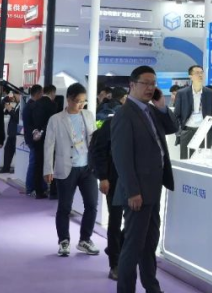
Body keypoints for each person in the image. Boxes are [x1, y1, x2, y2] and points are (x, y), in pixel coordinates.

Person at [112, 66, 176, 293]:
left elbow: (172, 127)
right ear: (132, 85)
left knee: (149, 244)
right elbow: (122, 157)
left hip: (153, 189)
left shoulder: (150, 110)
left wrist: (162, 106)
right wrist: (132, 191)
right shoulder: (124, 114)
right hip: (137, 193)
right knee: (133, 246)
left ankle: (152, 288)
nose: (150, 88)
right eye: (146, 83)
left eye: (153, 84)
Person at [43, 83, 100, 257]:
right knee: (64, 207)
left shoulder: (88, 115)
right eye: (77, 101)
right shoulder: (56, 119)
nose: (80, 105)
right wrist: (48, 169)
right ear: (68, 99)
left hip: (88, 167)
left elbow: (94, 140)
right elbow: (49, 145)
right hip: (66, 168)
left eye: (83, 101)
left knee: (92, 205)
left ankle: (85, 240)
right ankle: (64, 241)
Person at [91, 86, 128, 280]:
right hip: (114, 180)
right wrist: (103, 177)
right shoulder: (110, 124)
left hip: (133, 181)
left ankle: (116, 246)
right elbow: (99, 152)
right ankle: (115, 263)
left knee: (134, 222)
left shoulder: (138, 125)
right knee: (115, 220)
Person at [172, 65, 212, 159]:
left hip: (204, 132)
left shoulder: (210, 93)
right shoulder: (182, 93)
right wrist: (180, 132)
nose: (200, 75)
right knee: (186, 160)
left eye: (201, 72)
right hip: (187, 131)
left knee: (204, 162)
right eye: (197, 73)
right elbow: (176, 115)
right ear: (190, 76)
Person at [28, 85, 59, 199]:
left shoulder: (35, 104)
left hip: (37, 138)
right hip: (49, 138)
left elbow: (31, 122)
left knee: (38, 164)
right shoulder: (53, 105)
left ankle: (39, 191)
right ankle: (53, 191)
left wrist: (36, 132)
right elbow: (52, 122)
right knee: (52, 163)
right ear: (52, 92)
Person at [21, 85, 44, 196]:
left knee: (34, 162)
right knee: (34, 162)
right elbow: (32, 124)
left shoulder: (28, 105)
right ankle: (30, 187)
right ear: (38, 93)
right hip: (33, 138)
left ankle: (32, 187)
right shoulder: (32, 106)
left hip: (30, 137)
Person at [0, 91, 20, 174]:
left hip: (16, 133)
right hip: (11, 132)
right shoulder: (16, 104)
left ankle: (17, 170)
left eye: (15, 95)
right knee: (8, 150)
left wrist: (11, 110)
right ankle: (5, 168)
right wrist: (8, 98)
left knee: (16, 152)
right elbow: (4, 108)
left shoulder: (22, 106)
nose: (13, 97)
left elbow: (18, 118)